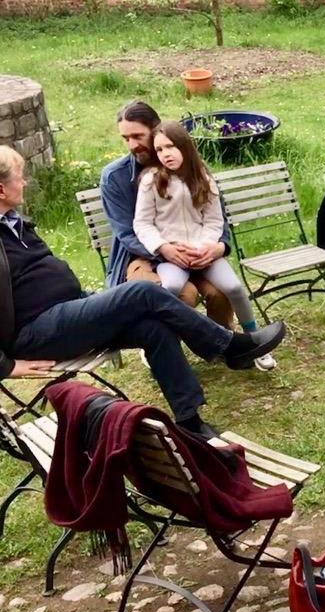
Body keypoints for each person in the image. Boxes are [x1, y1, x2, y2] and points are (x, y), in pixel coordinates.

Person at [0, 145, 286, 439]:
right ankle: (229, 346)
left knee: (153, 327)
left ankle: (189, 420)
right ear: (0, 189)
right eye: (19, 178)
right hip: (37, 331)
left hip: (71, 310)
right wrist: (6, 365)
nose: (24, 183)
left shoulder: (15, 223)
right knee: (141, 291)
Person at [134, 121, 276, 370]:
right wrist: (163, 247)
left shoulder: (204, 179)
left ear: (185, 146)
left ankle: (253, 340)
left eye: (171, 146)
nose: (166, 153)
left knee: (232, 286)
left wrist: (206, 247)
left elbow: (214, 221)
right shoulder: (151, 182)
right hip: (172, 255)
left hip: (204, 252)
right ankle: (157, 344)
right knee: (171, 287)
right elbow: (142, 224)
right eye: (159, 150)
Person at [100, 100, 236, 332]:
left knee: (221, 291)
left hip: (194, 249)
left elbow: (216, 215)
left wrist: (219, 247)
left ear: (156, 130)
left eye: (138, 136)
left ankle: (225, 342)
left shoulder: (191, 166)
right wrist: (166, 250)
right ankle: (161, 348)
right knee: (183, 294)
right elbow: (126, 233)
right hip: (143, 257)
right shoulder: (115, 177)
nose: (132, 145)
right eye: (126, 139)